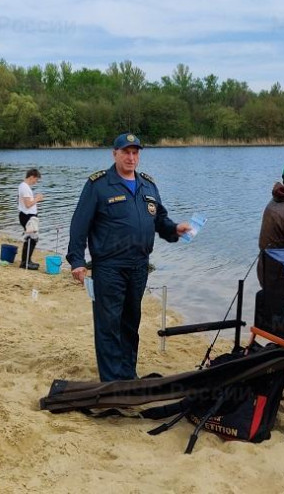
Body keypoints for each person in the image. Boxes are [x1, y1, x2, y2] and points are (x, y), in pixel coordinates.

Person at [67, 133, 190, 381]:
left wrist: (175, 229)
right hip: (109, 267)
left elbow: (160, 219)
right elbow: (79, 224)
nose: (131, 158)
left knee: (130, 323)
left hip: (139, 267)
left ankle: (127, 375)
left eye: (135, 153)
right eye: (126, 152)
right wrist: (77, 261)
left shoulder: (148, 185)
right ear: (115, 154)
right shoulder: (98, 185)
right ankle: (112, 383)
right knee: (109, 325)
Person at [18, 168, 44, 270]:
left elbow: (27, 203)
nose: (35, 182)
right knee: (32, 238)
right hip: (27, 216)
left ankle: (27, 261)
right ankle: (25, 262)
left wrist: (35, 200)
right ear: (32, 177)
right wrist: (37, 198)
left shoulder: (24, 186)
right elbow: (28, 204)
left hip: (27, 216)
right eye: (36, 180)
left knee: (31, 238)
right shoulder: (24, 187)